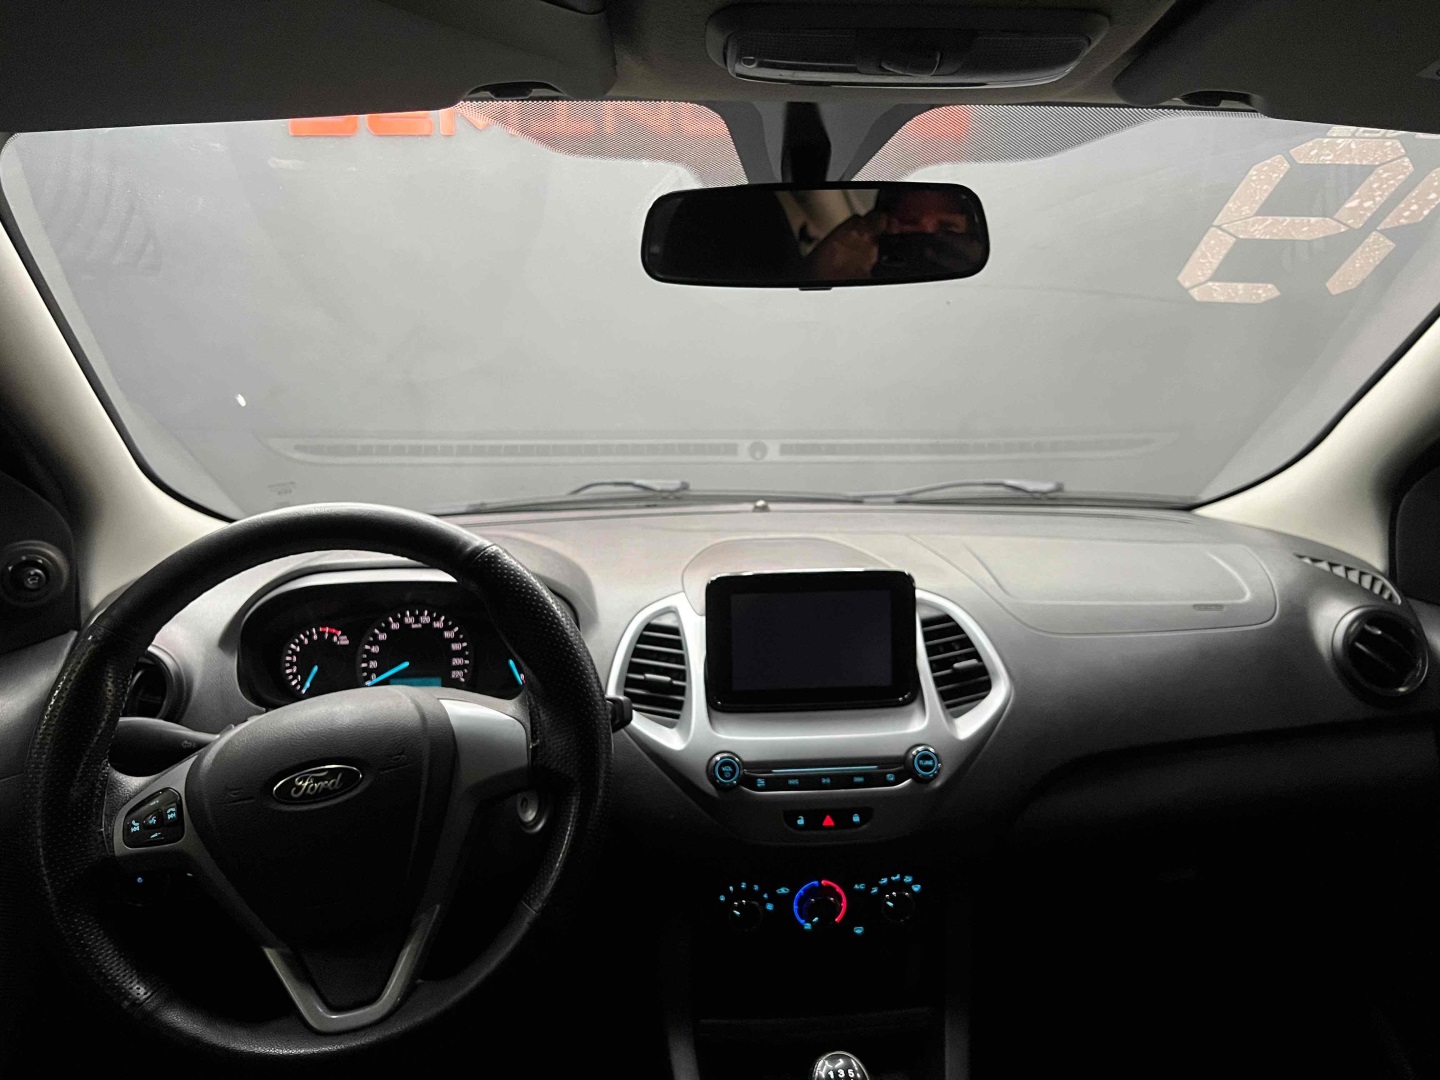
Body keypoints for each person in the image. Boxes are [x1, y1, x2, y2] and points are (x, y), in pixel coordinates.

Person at [802, 185, 985, 282]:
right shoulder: (861, 263)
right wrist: (828, 270)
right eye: (906, 222)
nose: (920, 244)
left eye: (946, 229)